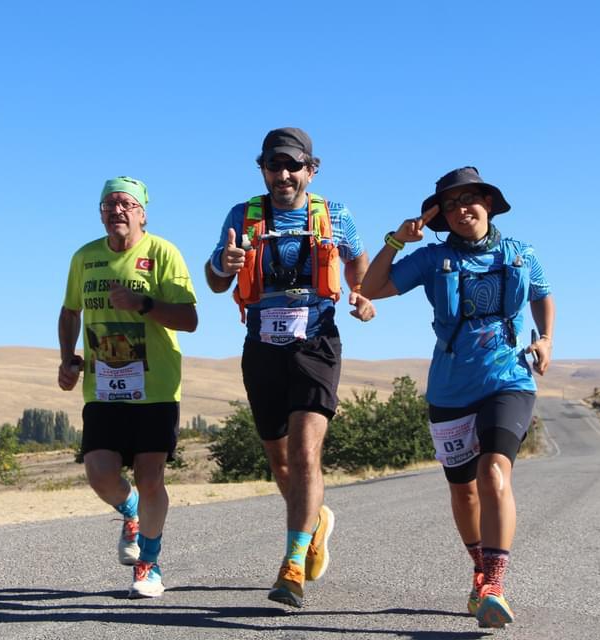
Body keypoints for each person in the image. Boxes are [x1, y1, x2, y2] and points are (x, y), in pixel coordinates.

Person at [361, 167, 555, 629]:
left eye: (471, 199)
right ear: (441, 216)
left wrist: (546, 338)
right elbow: (370, 289)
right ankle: (479, 567)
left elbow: (543, 294)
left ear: (489, 203)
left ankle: (494, 584)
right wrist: (396, 241)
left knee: (493, 473)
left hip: (508, 379)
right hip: (450, 386)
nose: (462, 208)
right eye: (450, 204)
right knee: (463, 489)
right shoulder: (431, 259)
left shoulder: (521, 253)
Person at [204, 127, 376, 607]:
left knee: (303, 453)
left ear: (311, 169)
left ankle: (291, 566)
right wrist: (224, 262)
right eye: (274, 165)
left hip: (315, 341)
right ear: (262, 169)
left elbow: (358, 266)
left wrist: (362, 295)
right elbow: (216, 281)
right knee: (280, 462)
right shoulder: (243, 215)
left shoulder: (335, 215)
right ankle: (316, 521)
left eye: (292, 165)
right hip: (261, 345)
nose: (283, 174)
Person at [58, 176, 198, 599]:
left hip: (154, 385)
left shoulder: (162, 253)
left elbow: (189, 319)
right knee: (100, 474)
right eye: (109, 204)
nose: (117, 210)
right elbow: (69, 312)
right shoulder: (85, 257)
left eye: (126, 204)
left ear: (142, 213)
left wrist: (144, 305)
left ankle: (148, 564)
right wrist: (68, 358)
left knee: (150, 475)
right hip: (103, 386)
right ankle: (130, 512)